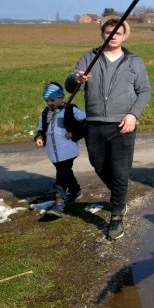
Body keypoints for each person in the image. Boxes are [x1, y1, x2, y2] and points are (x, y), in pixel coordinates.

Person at [65, 16, 151, 240]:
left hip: (123, 124)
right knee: (99, 165)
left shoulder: (134, 61)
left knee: (120, 170)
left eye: (118, 33)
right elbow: (69, 83)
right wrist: (76, 78)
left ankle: (116, 216)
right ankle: (119, 197)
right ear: (102, 34)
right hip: (94, 123)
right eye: (108, 33)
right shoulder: (89, 58)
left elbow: (144, 92)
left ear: (124, 36)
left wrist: (133, 114)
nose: (113, 37)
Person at [34, 82, 87, 218]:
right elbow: (41, 129)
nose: (49, 103)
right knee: (65, 172)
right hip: (53, 151)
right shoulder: (45, 113)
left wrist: (74, 133)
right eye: (47, 100)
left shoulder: (70, 110)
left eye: (52, 100)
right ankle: (75, 191)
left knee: (62, 174)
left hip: (67, 149)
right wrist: (39, 137)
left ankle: (60, 201)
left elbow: (86, 122)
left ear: (61, 98)